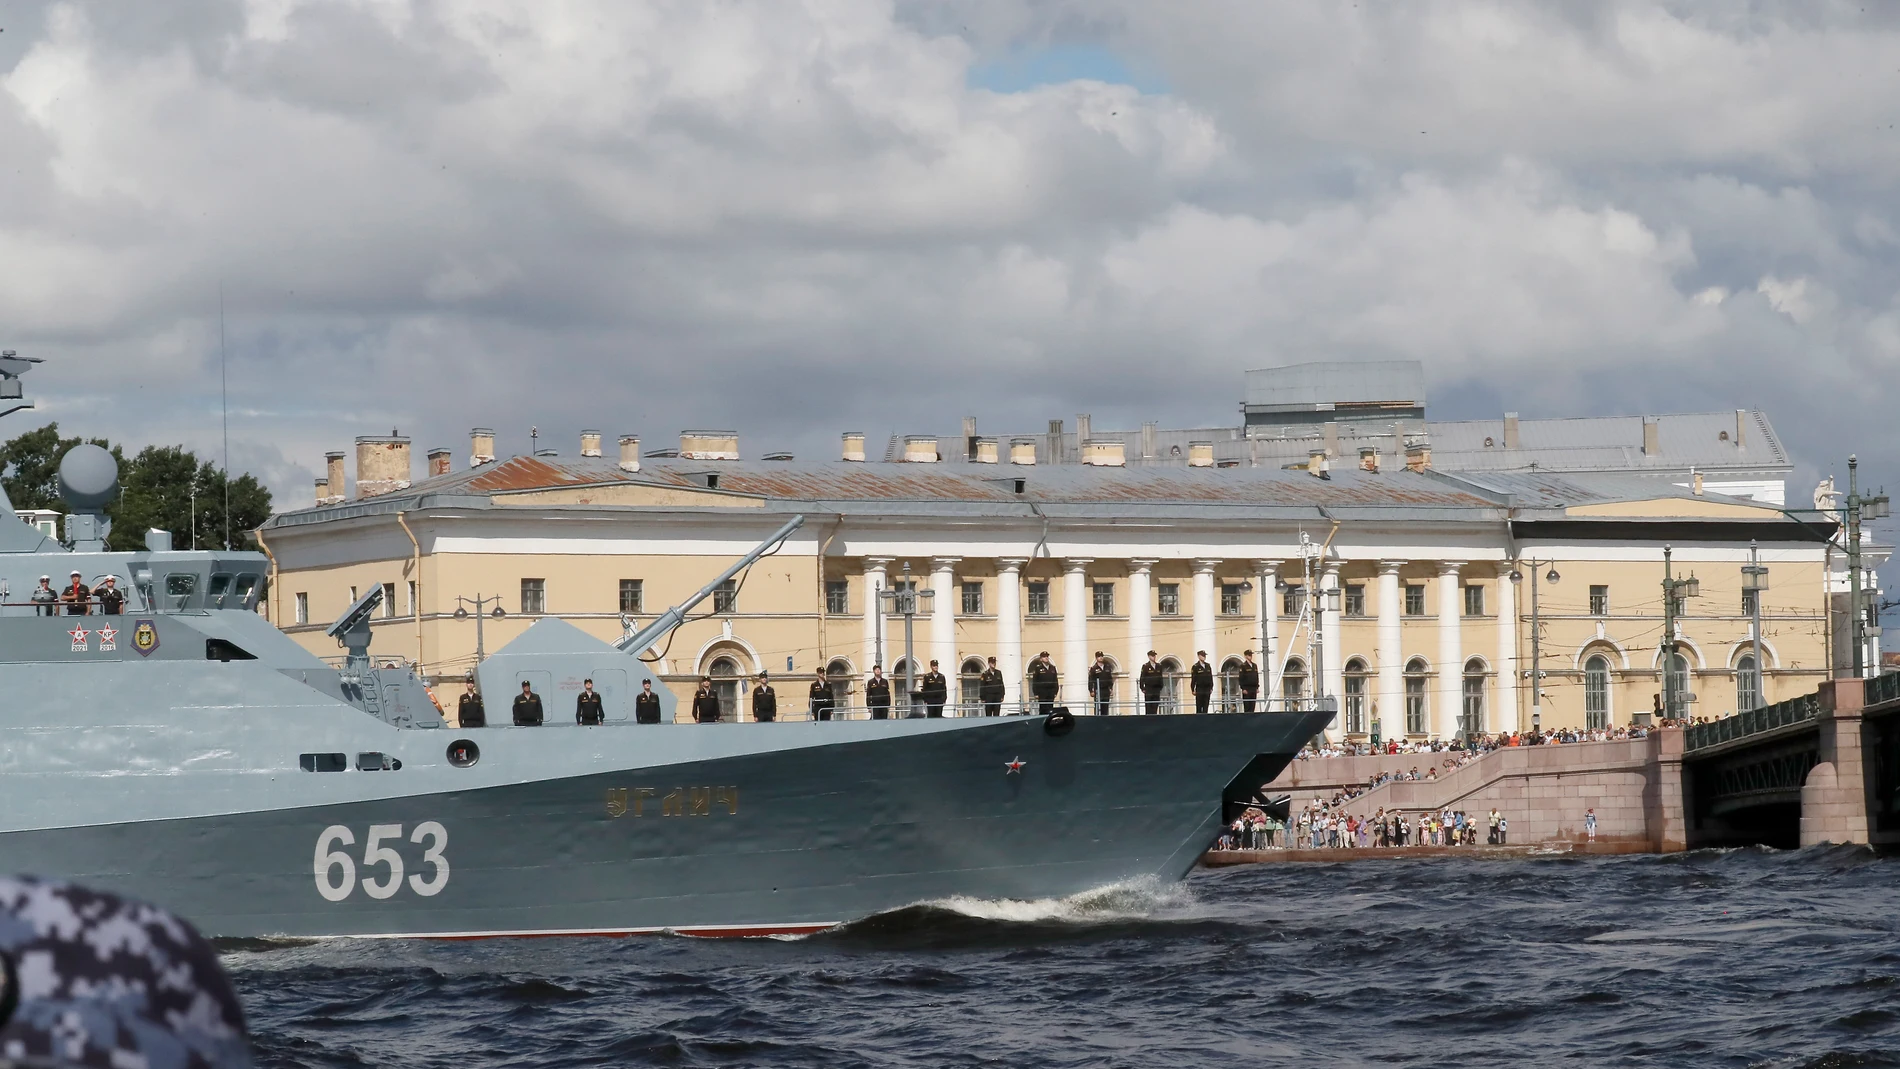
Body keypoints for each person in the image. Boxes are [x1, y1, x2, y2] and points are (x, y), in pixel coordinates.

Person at [1028, 650, 1059, 715]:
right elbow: (1035, 681)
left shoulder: (1052, 668)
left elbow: (1055, 680)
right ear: (1041, 659)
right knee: (1043, 709)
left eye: (1047, 656)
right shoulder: (1038, 668)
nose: (1046, 658)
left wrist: (1055, 691)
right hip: (1042, 692)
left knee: (1050, 708)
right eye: (1044, 657)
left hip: (1051, 692)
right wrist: (1036, 693)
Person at [1087, 651, 1114, 716]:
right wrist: (1091, 690)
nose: (1101, 658)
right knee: (1098, 706)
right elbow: (1090, 680)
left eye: (1102, 656)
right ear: (1096, 658)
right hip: (1098, 690)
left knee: (1105, 706)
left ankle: (1105, 720)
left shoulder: (1107, 667)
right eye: (1099, 656)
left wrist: (1111, 688)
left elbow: (1110, 678)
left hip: (1106, 689)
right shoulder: (1094, 668)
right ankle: (1097, 719)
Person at [1138, 650, 1165, 715]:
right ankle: (1149, 719)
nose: (1154, 657)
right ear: (1149, 656)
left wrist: (1161, 686)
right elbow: (1142, 677)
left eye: (1154, 655)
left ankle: (1155, 718)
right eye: (1152, 656)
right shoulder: (1146, 666)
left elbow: (1160, 677)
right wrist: (1142, 688)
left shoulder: (1159, 666)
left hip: (1156, 688)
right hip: (1149, 688)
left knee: (1155, 705)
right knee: (1149, 706)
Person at [1189, 650, 1214, 714]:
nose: (1204, 657)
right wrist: (1192, 689)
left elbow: (1210, 677)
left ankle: (1205, 719)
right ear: (1199, 656)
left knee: (1206, 706)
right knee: (1199, 706)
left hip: (1207, 688)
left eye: (1204, 655)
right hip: (1200, 688)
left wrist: (1211, 687)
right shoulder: (1195, 667)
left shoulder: (1208, 666)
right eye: (1202, 655)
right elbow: (1193, 678)